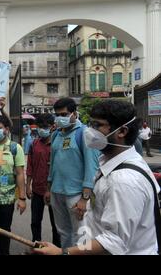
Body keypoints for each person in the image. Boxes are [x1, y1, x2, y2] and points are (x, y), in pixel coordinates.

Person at [35, 100, 160, 255]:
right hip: (60, 193)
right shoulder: (111, 163)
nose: (90, 131)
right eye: (91, 124)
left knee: (77, 233)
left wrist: (63, 252)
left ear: (122, 131)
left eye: (98, 125)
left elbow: (115, 241)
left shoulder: (123, 181)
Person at [46, 98, 100, 249]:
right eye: (57, 115)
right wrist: (48, 188)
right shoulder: (56, 135)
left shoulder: (85, 134)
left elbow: (92, 168)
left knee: (82, 234)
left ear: (75, 114)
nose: (60, 118)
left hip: (76, 195)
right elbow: (53, 164)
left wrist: (84, 198)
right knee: (63, 232)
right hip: (57, 192)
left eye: (64, 114)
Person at [0, 115, 26, 255]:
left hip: (6, 200)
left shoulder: (15, 148)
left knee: (5, 232)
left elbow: (20, 174)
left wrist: (22, 198)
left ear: (6, 129)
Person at [26, 114, 61, 247]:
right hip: (37, 190)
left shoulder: (57, 145)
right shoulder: (34, 144)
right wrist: (28, 185)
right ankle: (37, 246)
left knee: (56, 224)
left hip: (54, 191)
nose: (41, 130)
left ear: (53, 127)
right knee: (35, 221)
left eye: (44, 127)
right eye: (39, 127)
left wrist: (50, 189)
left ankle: (56, 249)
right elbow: (30, 166)